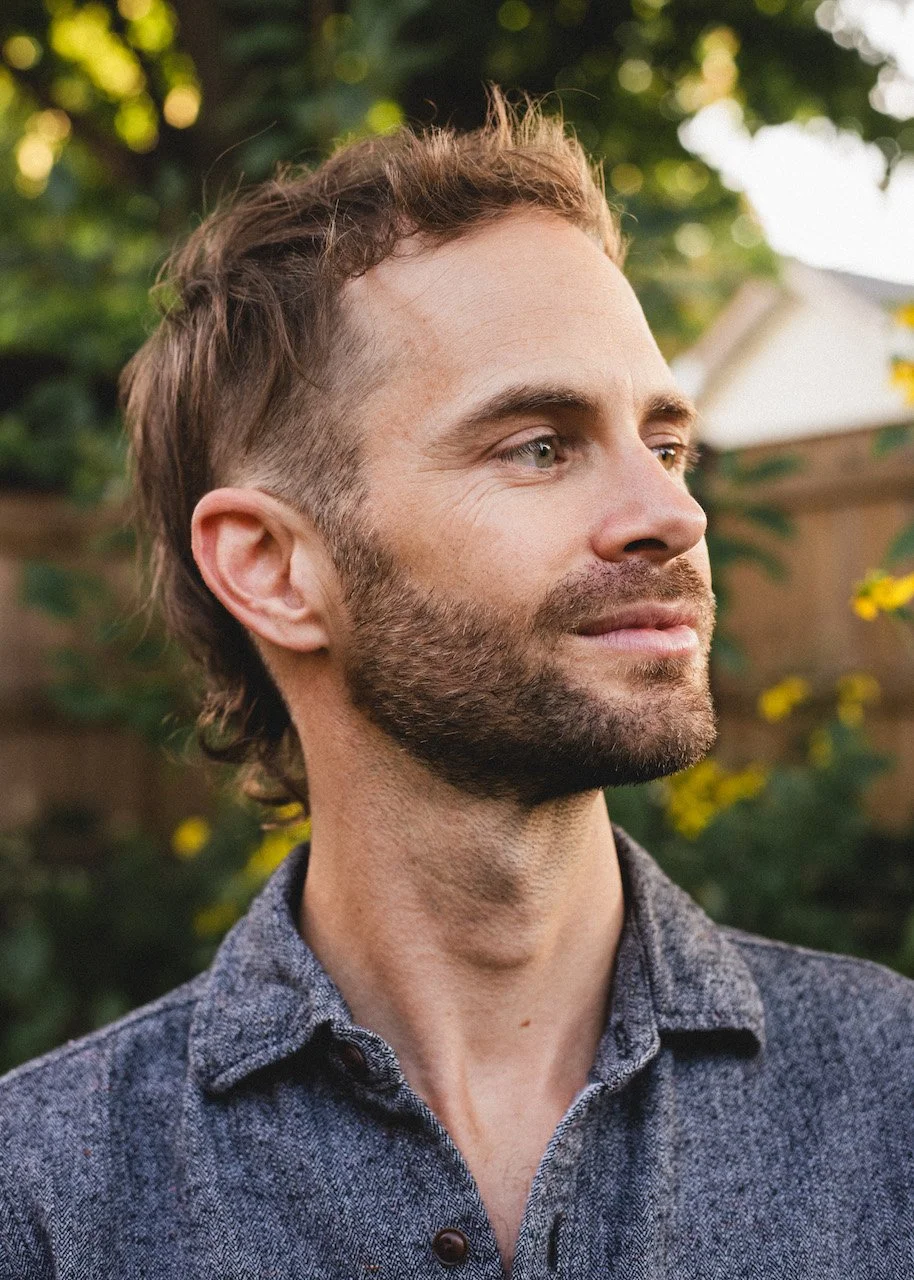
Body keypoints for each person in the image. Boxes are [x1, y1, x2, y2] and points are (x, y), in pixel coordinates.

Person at [2, 92, 913, 1280]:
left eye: (667, 443)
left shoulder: (887, 1092)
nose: (672, 515)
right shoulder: (49, 1200)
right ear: (274, 568)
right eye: (538, 443)